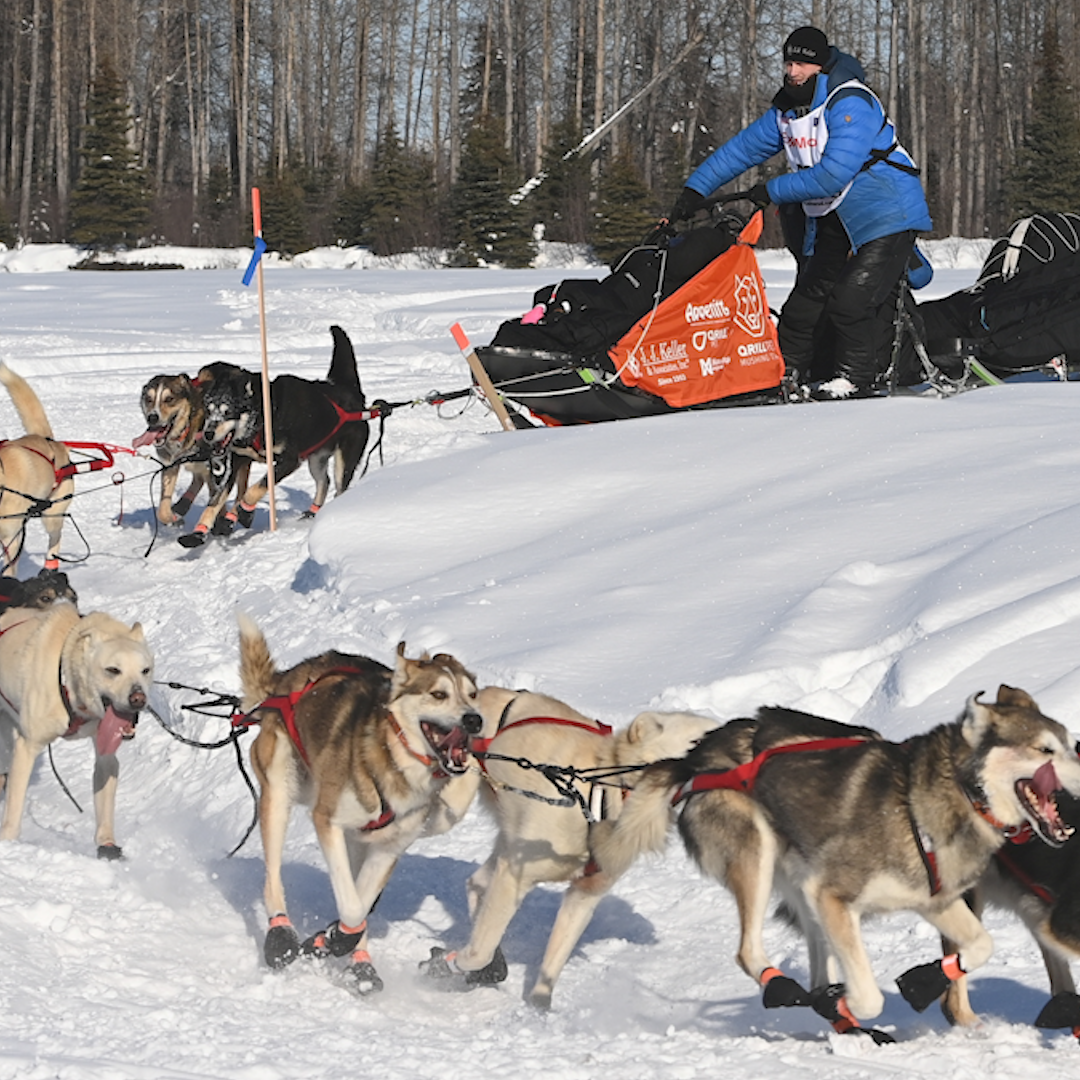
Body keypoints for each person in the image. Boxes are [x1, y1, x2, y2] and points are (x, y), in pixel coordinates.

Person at [670, 26, 933, 398]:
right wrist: (693, 190)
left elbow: (832, 175)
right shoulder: (789, 110)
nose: (793, 71)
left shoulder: (850, 102)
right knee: (804, 305)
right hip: (835, 218)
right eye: (789, 62)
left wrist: (771, 191)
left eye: (803, 64)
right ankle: (780, 374)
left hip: (886, 214)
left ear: (822, 66)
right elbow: (741, 151)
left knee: (850, 301)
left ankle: (856, 379)